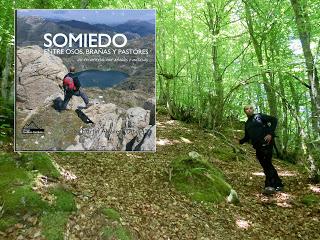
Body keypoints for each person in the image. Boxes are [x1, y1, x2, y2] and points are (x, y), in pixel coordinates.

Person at [239, 105, 284, 194]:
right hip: (257, 146)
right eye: (247, 109)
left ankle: (270, 185)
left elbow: (274, 120)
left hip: (267, 143)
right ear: (245, 111)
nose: (249, 110)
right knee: (265, 165)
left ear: (253, 110)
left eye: (251, 108)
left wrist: (270, 134)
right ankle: (278, 183)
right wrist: (241, 141)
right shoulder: (247, 123)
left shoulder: (259, 116)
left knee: (267, 163)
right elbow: (247, 137)